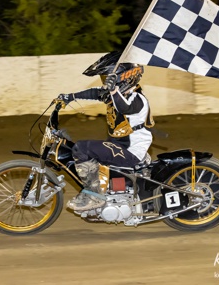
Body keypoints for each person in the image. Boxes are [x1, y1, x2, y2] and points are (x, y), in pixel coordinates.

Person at [57, 51, 154, 211]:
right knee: (88, 152)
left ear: (125, 77)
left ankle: (94, 196)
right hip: (121, 147)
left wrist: (114, 90)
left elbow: (124, 107)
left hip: (131, 152)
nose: (106, 83)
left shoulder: (138, 99)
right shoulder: (118, 94)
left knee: (82, 148)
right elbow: (96, 93)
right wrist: (70, 97)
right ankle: (102, 191)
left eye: (109, 78)